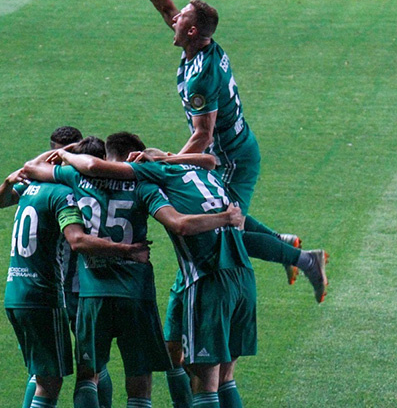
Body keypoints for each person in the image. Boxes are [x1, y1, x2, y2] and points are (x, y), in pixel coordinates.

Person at [51, 133, 327, 408]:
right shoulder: (200, 172)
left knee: (203, 381)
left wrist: (65, 154)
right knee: (213, 372)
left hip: (206, 278)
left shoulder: (147, 178)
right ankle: (296, 253)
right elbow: (210, 161)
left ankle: (298, 255)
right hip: (239, 275)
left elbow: (178, 223)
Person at [119, 0, 310, 286]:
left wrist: (169, 166)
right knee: (223, 217)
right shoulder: (201, 43)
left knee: (224, 227)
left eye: (182, 18)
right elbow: (165, 7)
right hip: (227, 150)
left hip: (231, 157)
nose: (174, 19)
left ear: (192, 31)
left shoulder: (201, 77)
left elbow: (203, 135)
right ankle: (285, 243)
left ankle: (306, 260)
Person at [22, 135, 244, 408]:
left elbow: (31, 168)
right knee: (140, 384)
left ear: (108, 155)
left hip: (93, 294)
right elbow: (187, 201)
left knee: (88, 377)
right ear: (133, 157)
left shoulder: (76, 177)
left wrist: (67, 153)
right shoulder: (143, 184)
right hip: (136, 294)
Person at [0, 164, 151, 408]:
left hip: (29, 288)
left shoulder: (32, 186)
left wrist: (13, 177)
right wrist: (127, 250)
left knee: (43, 372)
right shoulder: (71, 192)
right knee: (87, 369)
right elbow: (77, 239)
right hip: (76, 288)